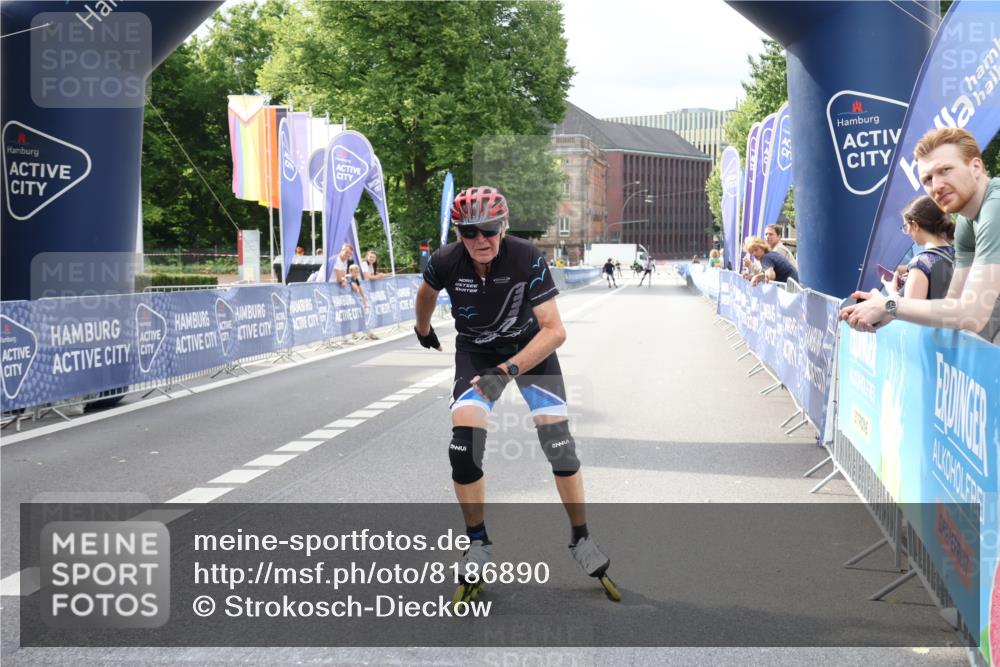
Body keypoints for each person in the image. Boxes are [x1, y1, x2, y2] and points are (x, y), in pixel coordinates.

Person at [413, 185, 618, 603]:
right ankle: (478, 543)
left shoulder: (526, 257)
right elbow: (426, 295)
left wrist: (507, 371)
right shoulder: (445, 261)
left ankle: (581, 538)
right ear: (458, 233)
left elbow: (555, 330)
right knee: (463, 445)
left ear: (503, 226)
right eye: (470, 232)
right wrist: (422, 329)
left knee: (559, 445)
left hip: (530, 350)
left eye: (489, 229)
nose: (481, 240)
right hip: (476, 352)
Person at [842, 127, 1000, 341]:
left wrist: (891, 305)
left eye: (945, 170)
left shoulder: (996, 206)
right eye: (927, 179)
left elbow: (972, 314)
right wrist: (888, 309)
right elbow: (954, 302)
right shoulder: (965, 222)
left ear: (976, 167)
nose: (936, 186)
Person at [882, 195, 954, 300]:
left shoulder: (921, 263)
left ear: (915, 225)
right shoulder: (956, 253)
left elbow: (909, 312)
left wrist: (892, 293)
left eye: (906, 227)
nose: (907, 232)